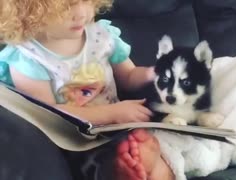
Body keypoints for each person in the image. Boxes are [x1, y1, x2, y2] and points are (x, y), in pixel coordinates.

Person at [0, 0, 174, 180]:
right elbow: (48, 116)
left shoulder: (102, 36)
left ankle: (148, 164)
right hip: (74, 142)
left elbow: (128, 76)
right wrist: (112, 113)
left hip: (118, 127)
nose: (82, 13)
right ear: (28, 11)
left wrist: (153, 73)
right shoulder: (28, 58)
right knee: (99, 163)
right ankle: (120, 169)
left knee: (146, 150)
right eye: (67, 7)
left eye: (87, 1)